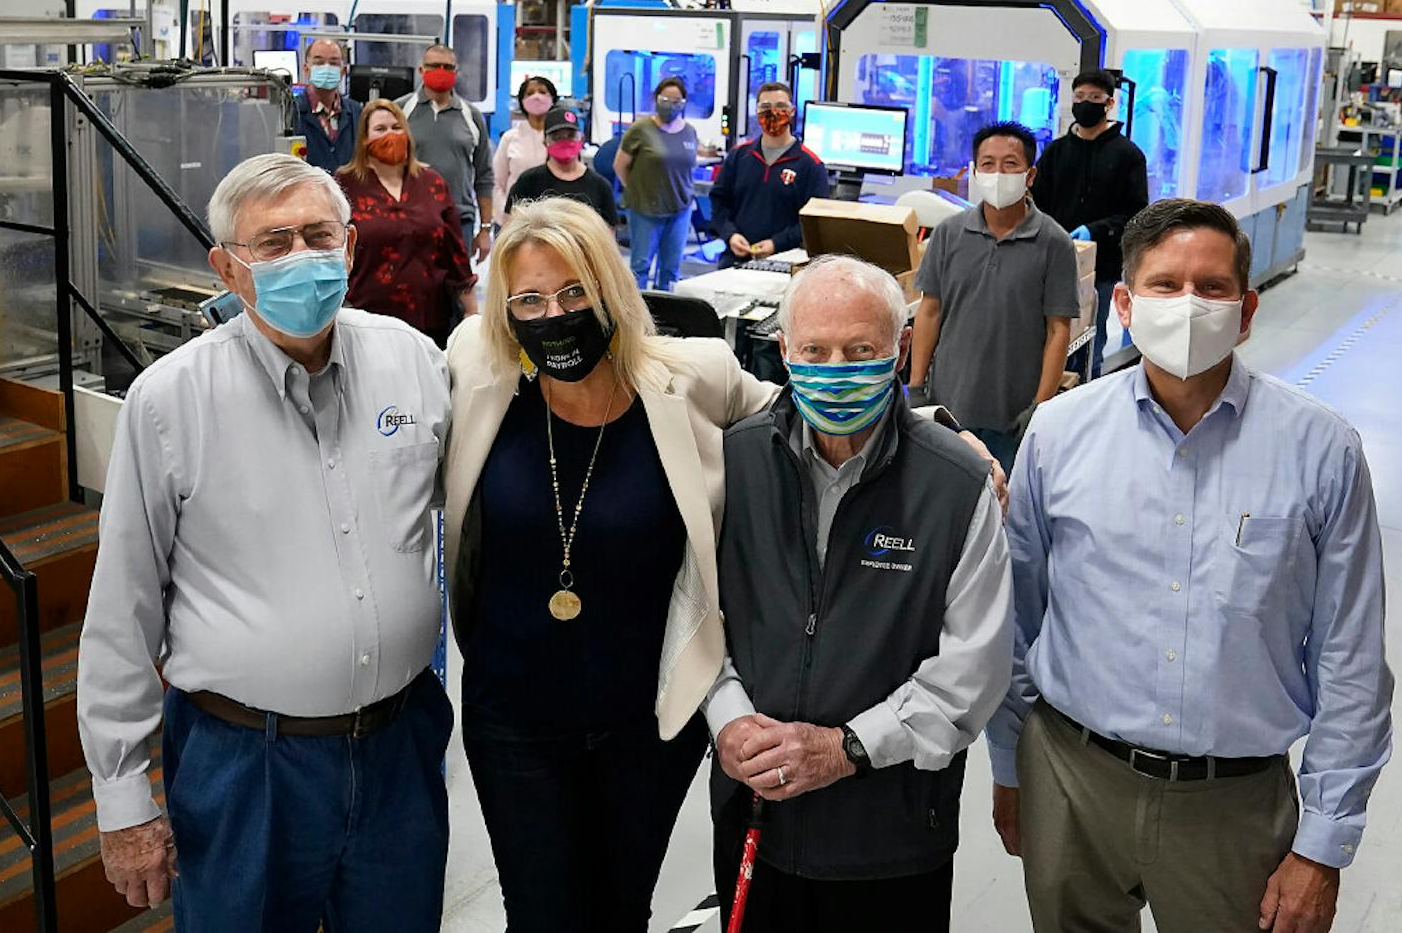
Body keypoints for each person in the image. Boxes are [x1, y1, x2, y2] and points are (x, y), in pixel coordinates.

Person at [987, 199, 1394, 933]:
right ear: (1124, 303)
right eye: (1165, 285)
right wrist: (1012, 769)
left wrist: (1324, 845)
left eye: (1211, 288)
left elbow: (1352, 661)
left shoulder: (1320, 451)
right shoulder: (1060, 432)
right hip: (1072, 778)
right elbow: (1015, 616)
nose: (1187, 304)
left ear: (1246, 312)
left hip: (1232, 806)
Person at [77, 154, 454, 930]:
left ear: (350, 249)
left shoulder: (414, 362)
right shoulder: (169, 403)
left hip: (400, 748)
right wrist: (123, 798)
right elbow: (124, 607)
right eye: (272, 243)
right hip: (246, 764)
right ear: (227, 267)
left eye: (318, 236)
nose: (301, 258)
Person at [442, 195, 779, 932]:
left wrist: (948, 442)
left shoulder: (696, 375)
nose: (553, 314)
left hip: (647, 718)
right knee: (540, 913)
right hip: (514, 718)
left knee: (621, 909)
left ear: (610, 290)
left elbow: (810, 426)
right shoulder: (476, 371)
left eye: (573, 292)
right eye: (528, 299)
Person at [707, 254, 1014, 931]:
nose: (836, 369)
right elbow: (698, 619)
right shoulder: (734, 462)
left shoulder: (956, 484)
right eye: (814, 349)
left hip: (893, 831)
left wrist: (847, 746)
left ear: (900, 350)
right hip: (757, 812)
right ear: (781, 350)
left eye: (861, 350)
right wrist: (727, 721)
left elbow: (974, 668)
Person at [908, 121, 1080, 473]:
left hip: (1012, 415)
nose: (997, 173)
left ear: (1030, 175)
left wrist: (1041, 406)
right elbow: (930, 311)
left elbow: (1058, 330)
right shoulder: (949, 234)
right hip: (948, 408)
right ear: (974, 171)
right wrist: (916, 385)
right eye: (987, 164)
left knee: (1005, 509)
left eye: (1010, 164)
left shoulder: (1054, 243)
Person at [1032, 69, 1149, 377]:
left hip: (1101, 267)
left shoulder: (1128, 156)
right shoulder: (1056, 152)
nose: (1085, 104)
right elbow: (1035, 203)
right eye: (1079, 98)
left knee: (1088, 341)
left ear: (1109, 103)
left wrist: (1095, 231)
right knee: (1048, 339)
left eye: (1094, 99)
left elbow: (1136, 214)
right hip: (1050, 263)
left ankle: (1085, 393)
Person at [337, 98, 477, 344]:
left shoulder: (431, 182)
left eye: (396, 127)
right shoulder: (345, 185)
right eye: (380, 129)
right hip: (366, 321)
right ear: (364, 140)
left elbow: (454, 253)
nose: (390, 135)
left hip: (430, 319)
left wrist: (472, 312)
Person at [709, 80, 830, 268]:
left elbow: (813, 223)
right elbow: (719, 203)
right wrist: (730, 234)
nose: (773, 113)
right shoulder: (739, 156)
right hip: (735, 260)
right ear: (756, 111)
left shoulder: (810, 165)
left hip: (785, 262)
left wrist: (777, 243)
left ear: (792, 111)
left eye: (781, 106)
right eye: (765, 107)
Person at [398, 42, 495, 263]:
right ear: (421, 70)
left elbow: (484, 176)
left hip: (460, 221)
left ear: (456, 72)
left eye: (447, 67)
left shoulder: (472, 116)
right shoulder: (400, 111)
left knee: (459, 293)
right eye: (434, 66)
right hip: (409, 219)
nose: (441, 71)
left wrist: (485, 229)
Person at [614, 75, 700, 290]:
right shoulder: (641, 130)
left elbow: (689, 166)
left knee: (671, 268)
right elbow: (620, 165)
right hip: (645, 209)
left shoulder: (689, 131)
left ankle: (666, 317)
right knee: (640, 266)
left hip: (680, 209)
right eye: (665, 99)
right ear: (655, 99)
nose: (670, 105)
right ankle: (637, 319)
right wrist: (635, 189)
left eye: (677, 101)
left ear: (683, 102)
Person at [506, 106, 617, 228]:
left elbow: (608, 236)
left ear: (581, 140)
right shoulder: (528, 181)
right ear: (545, 143)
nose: (564, 142)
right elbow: (510, 225)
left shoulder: (600, 186)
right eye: (557, 137)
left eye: (570, 135)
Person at [493, 75, 559, 226]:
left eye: (542, 92)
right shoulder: (510, 138)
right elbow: (497, 182)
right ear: (522, 101)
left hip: (552, 221)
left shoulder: (560, 140)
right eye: (530, 93)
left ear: (553, 98)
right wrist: (505, 215)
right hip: (513, 220)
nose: (537, 97)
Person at [293, 38, 362, 173]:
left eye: (333, 63)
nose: (326, 67)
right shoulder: (291, 112)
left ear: (343, 71)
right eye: (319, 62)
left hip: (346, 192)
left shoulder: (356, 112)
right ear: (306, 69)